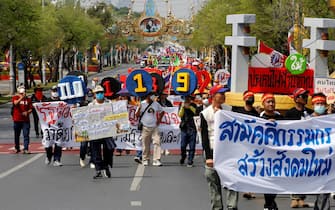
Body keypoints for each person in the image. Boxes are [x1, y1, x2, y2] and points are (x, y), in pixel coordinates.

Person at [200, 84, 238, 210]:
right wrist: (208, 157)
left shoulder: (228, 110)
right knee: (213, 182)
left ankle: (232, 206)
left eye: (224, 93)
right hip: (212, 150)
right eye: (220, 93)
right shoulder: (205, 114)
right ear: (213, 96)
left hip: (228, 151)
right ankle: (217, 207)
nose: (223, 96)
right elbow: (204, 136)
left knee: (232, 180)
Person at [285, 88, 313, 208]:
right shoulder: (290, 113)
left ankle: (302, 197)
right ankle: (294, 197)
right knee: (294, 171)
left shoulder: (310, 113)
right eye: (303, 96)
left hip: (307, 147)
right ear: (296, 98)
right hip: (294, 147)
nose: (306, 98)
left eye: (306, 96)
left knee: (304, 172)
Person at [232, 91, 258, 200]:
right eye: (248, 97)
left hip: (252, 144)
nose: (250, 99)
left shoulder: (256, 113)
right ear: (244, 99)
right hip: (241, 143)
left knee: (251, 166)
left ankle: (249, 190)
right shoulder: (237, 112)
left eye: (252, 97)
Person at [259, 93, 283, 210]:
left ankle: (271, 202)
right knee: (267, 179)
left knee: (276, 179)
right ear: (263, 104)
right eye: (268, 102)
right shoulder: (258, 118)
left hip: (278, 155)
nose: (271, 104)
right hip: (264, 155)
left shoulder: (281, 118)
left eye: (273, 102)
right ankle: (268, 204)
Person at [90, 85, 116, 179]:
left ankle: (106, 166)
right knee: (95, 151)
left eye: (101, 92)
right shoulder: (91, 106)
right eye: (97, 93)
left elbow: (115, 115)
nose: (99, 94)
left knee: (109, 149)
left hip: (107, 131)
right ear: (94, 95)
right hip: (95, 132)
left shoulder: (109, 103)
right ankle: (98, 169)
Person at [310, 93, 330, 210]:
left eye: (322, 104)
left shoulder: (331, 120)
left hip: (327, 160)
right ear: (313, 105)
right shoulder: (307, 121)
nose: (320, 106)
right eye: (318, 104)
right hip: (311, 161)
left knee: (325, 189)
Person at [135, 92, 164, 166]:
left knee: (157, 142)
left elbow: (162, 112)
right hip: (145, 126)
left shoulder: (156, 104)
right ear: (147, 96)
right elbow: (137, 115)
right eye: (151, 95)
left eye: (153, 95)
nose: (153, 97)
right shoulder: (142, 104)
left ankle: (156, 159)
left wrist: (159, 120)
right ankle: (145, 159)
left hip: (154, 126)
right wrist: (139, 108)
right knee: (145, 144)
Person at [44, 86, 63, 166]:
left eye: (56, 90)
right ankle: (49, 156)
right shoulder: (47, 101)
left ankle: (57, 159)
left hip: (59, 126)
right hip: (49, 126)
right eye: (54, 90)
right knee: (48, 144)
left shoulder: (61, 101)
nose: (55, 92)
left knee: (58, 143)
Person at [12, 86, 33, 154]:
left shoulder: (28, 99)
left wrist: (27, 112)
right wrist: (21, 97)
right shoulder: (15, 97)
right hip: (17, 119)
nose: (23, 90)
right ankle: (17, 148)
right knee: (17, 135)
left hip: (25, 120)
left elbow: (31, 109)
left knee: (26, 135)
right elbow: (15, 103)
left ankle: (26, 148)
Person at [178, 95, 197, 167]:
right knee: (183, 145)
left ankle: (190, 160)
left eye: (188, 98)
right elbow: (180, 115)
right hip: (184, 128)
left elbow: (195, 112)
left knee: (192, 146)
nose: (187, 99)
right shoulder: (181, 105)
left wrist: (189, 107)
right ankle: (183, 156)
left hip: (192, 127)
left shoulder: (194, 105)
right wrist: (183, 107)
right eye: (186, 98)